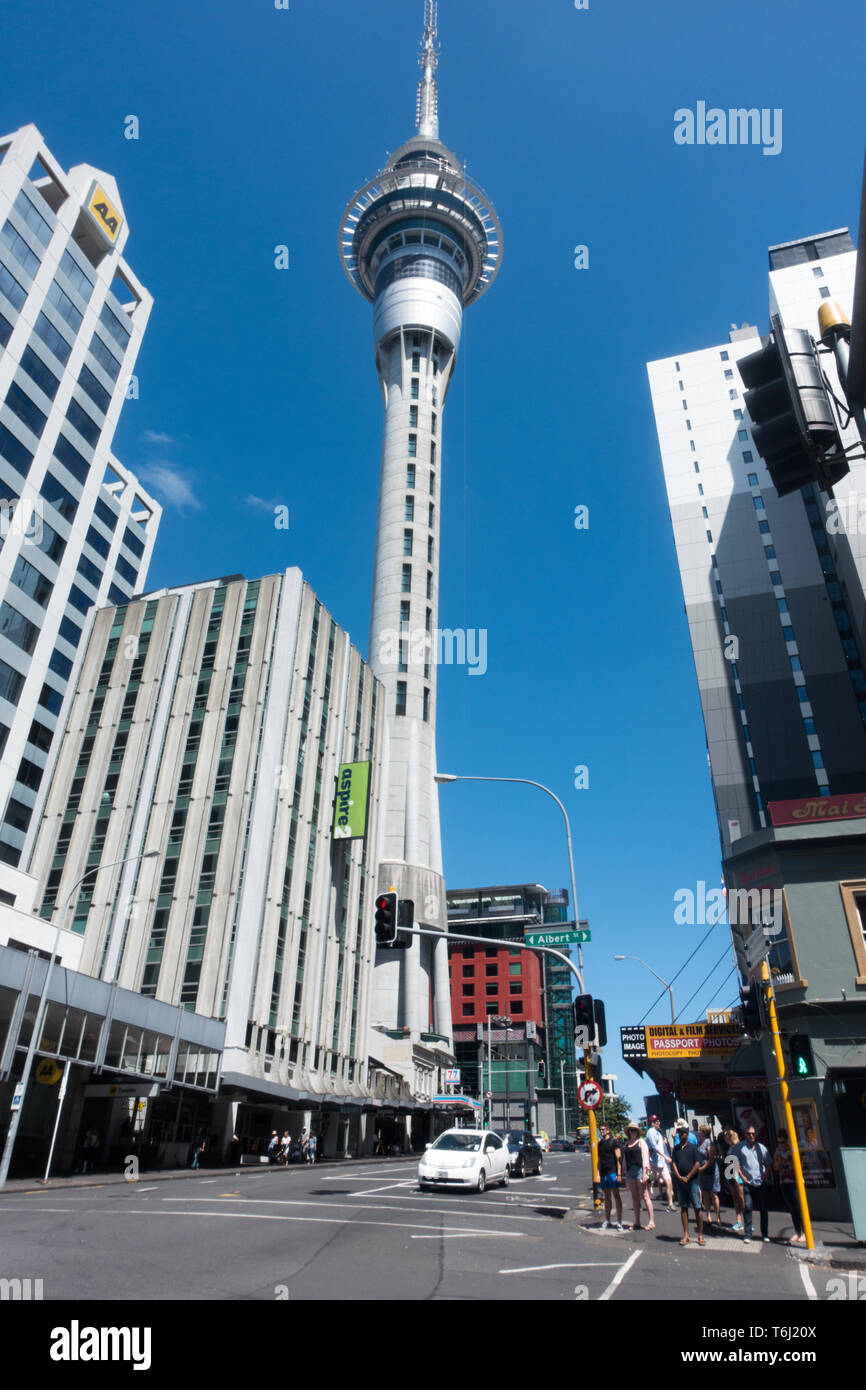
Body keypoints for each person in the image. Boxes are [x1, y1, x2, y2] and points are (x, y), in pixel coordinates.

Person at [735, 1125, 772, 1243]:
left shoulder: (761, 1148)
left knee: (764, 1208)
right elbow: (736, 1163)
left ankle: (765, 1234)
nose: (751, 1135)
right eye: (749, 1133)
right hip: (748, 1183)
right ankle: (748, 1234)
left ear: (756, 1135)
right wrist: (742, 1177)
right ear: (745, 1134)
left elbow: (768, 1163)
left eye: (753, 1133)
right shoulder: (740, 1147)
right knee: (748, 1206)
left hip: (760, 1183)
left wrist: (765, 1177)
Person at [672, 1121, 705, 1245]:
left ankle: (700, 1235)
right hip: (680, 1182)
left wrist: (688, 1176)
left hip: (693, 1182)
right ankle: (686, 1234)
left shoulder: (693, 1148)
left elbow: (697, 1164)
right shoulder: (676, 1149)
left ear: (687, 1133)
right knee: (683, 1208)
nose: (680, 1135)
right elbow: (674, 1163)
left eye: (682, 1133)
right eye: (679, 1133)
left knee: (697, 1207)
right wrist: (678, 1175)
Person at [773, 1136, 805, 1244]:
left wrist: (786, 1161)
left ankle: (805, 1232)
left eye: (782, 1142)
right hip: (783, 1181)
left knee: (799, 1207)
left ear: (787, 1141)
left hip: (794, 1181)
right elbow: (776, 1167)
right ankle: (797, 1231)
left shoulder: (793, 1150)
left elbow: (798, 1164)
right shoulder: (778, 1151)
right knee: (791, 1208)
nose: (781, 1144)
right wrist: (779, 1162)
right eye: (779, 1142)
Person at [623, 1122, 654, 1231]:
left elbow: (646, 1158)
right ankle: (637, 1222)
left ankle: (651, 1221)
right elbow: (625, 1161)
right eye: (631, 1130)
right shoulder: (627, 1144)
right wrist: (625, 1174)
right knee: (635, 1198)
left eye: (635, 1130)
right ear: (629, 1132)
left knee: (645, 1196)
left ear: (638, 1132)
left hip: (640, 1170)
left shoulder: (641, 1142)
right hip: (631, 1172)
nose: (633, 1132)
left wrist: (645, 1174)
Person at [597, 1122, 624, 1231]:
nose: (602, 1131)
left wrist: (619, 1174)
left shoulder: (614, 1142)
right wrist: (598, 1173)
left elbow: (618, 1158)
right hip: (604, 1173)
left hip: (612, 1172)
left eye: (603, 1129)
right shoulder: (600, 1143)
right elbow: (599, 1160)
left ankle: (619, 1221)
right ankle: (607, 1220)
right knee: (607, 1197)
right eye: (601, 1129)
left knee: (616, 1195)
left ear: (608, 1130)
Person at [645, 1114, 675, 1212]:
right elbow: (655, 1148)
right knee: (649, 1180)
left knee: (669, 1181)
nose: (659, 1123)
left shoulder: (658, 1133)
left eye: (658, 1121)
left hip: (662, 1163)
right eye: (657, 1122)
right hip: (654, 1163)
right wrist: (666, 1156)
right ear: (652, 1123)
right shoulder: (650, 1132)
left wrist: (666, 1158)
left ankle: (670, 1204)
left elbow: (662, 1147)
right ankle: (645, 1198)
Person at [720, 1126, 745, 1231]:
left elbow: (740, 1162)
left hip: (737, 1175)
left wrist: (739, 1174)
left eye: (726, 1137)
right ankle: (738, 1221)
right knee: (735, 1197)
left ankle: (747, 1221)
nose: (724, 1139)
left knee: (741, 1197)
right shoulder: (729, 1148)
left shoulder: (738, 1147)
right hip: (730, 1173)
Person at [696, 1125, 721, 1228]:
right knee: (705, 1194)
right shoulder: (699, 1143)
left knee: (713, 1194)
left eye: (699, 1130)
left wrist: (702, 1168)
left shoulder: (708, 1142)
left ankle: (718, 1217)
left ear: (703, 1132)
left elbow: (711, 1159)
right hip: (703, 1173)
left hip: (711, 1171)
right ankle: (709, 1216)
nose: (698, 1131)